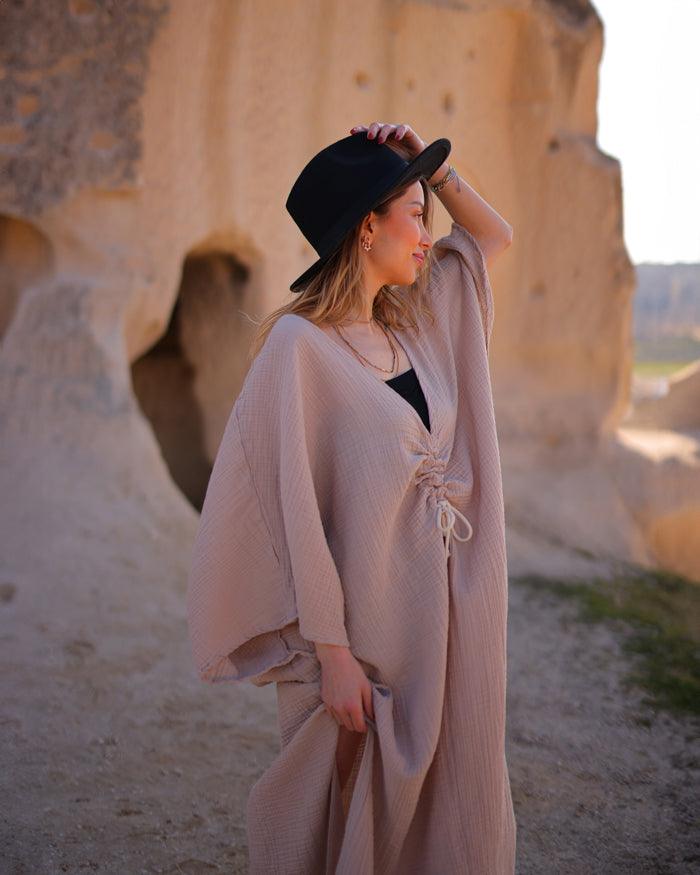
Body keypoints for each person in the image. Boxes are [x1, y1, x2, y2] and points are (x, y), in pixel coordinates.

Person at [187, 121, 516, 874]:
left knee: (456, 791)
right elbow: (295, 512)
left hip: (454, 610)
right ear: (369, 228)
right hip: (370, 630)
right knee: (350, 808)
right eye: (413, 213)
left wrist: (438, 173)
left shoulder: (417, 326)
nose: (428, 233)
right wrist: (333, 654)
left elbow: (491, 237)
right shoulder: (297, 351)